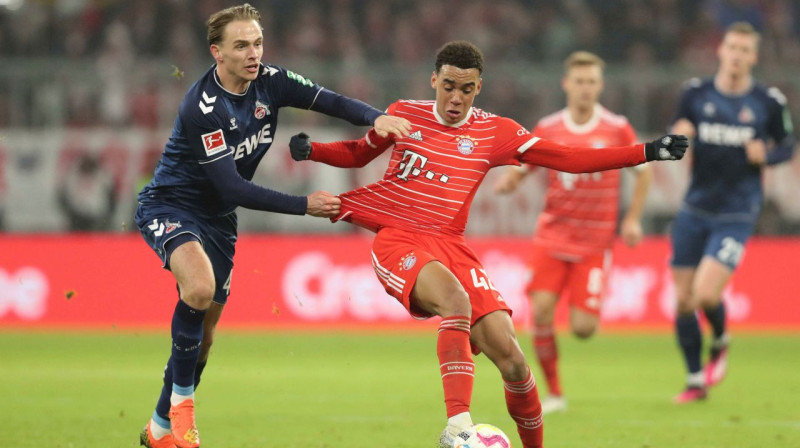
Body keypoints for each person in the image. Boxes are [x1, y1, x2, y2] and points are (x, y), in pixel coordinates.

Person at [289, 41, 687, 448]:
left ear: (479, 87)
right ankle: (458, 427)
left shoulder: (495, 132)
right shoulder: (403, 113)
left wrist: (646, 151)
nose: (455, 98)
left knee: (512, 359)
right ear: (433, 80)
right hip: (399, 239)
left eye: (466, 89)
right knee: (455, 302)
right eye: (448, 86)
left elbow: (568, 157)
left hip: (451, 245)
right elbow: (359, 153)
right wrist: (314, 151)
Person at [134, 4, 411, 448]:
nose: (253, 52)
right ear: (217, 53)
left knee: (203, 339)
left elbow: (328, 99)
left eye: (257, 42)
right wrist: (305, 206)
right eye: (241, 45)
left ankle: (158, 427)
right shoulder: (203, 106)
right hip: (172, 205)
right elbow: (233, 186)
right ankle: (183, 409)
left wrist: (375, 116)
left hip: (219, 220)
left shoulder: (271, 81)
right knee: (199, 289)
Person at [492, 51, 653, 414]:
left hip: (594, 243)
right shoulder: (549, 126)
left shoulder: (616, 127)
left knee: (583, 328)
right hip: (552, 235)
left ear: (601, 85)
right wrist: (513, 179)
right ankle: (555, 394)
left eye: (591, 82)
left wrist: (632, 220)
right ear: (567, 84)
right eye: (579, 81)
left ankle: (580, 305)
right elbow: (530, 159)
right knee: (542, 311)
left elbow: (643, 172)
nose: (585, 88)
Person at [668, 21, 796, 404]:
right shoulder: (695, 93)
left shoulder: (768, 101)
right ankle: (694, 380)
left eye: (745, 50)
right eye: (732, 48)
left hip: (738, 212)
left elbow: (788, 145)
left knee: (706, 294)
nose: (737, 56)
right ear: (721, 51)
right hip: (694, 208)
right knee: (683, 301)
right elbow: (675, 130)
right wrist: (679, 132)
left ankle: (721, 337)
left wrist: (768, 156)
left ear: (753, 57)